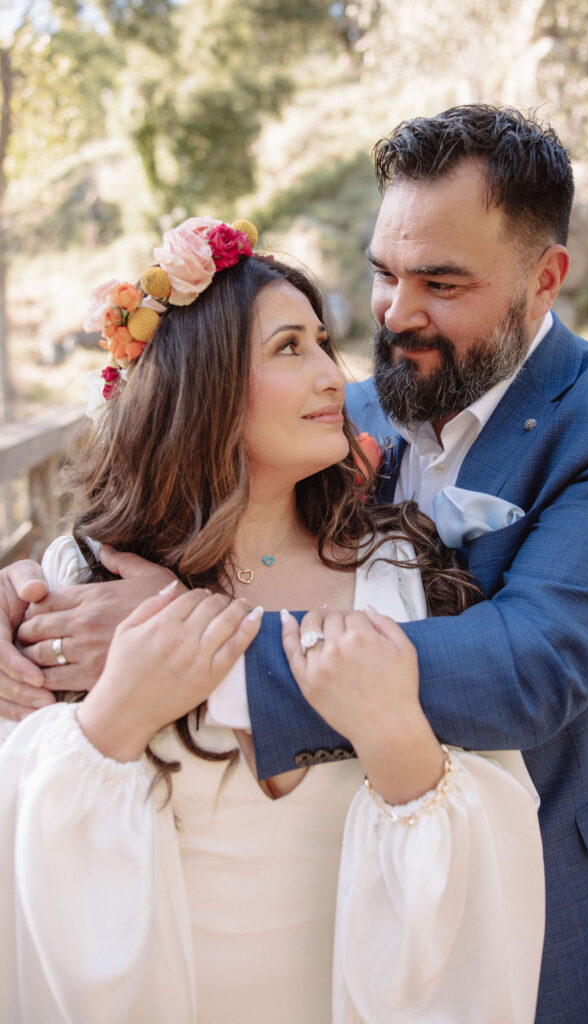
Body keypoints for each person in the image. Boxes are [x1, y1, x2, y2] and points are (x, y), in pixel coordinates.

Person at [1, 106, 588, 1021]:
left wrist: (184, 647)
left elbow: (528, 668)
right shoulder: (336, 412)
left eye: (441, 281)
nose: (397, 315)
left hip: (577, 891)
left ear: (543, 279)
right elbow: (195, 503)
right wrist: (23, 598)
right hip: (331, 927)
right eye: (383, 274)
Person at [0, 217, 544, 1023]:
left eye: (324, 343)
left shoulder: (398, 575)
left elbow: (493, 845)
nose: (334, 375)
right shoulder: (84, 584)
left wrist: (393, 737)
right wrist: (114, 719)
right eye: (290, 348)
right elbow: (26, 844)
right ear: (203, 385)